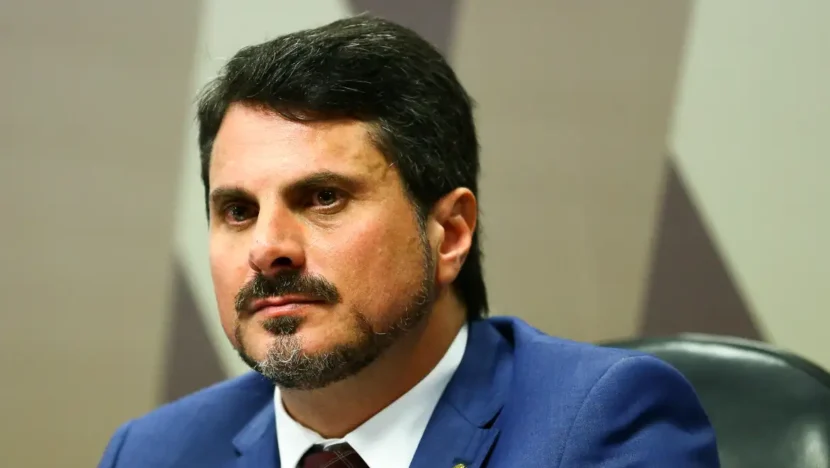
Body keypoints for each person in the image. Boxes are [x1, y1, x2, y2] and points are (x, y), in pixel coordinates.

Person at [98, 15, 719, 468]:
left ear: (449, 234)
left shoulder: (602, 426)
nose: (267, 248)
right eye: (238, 211)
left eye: (323, 197)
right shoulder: (152, 454)